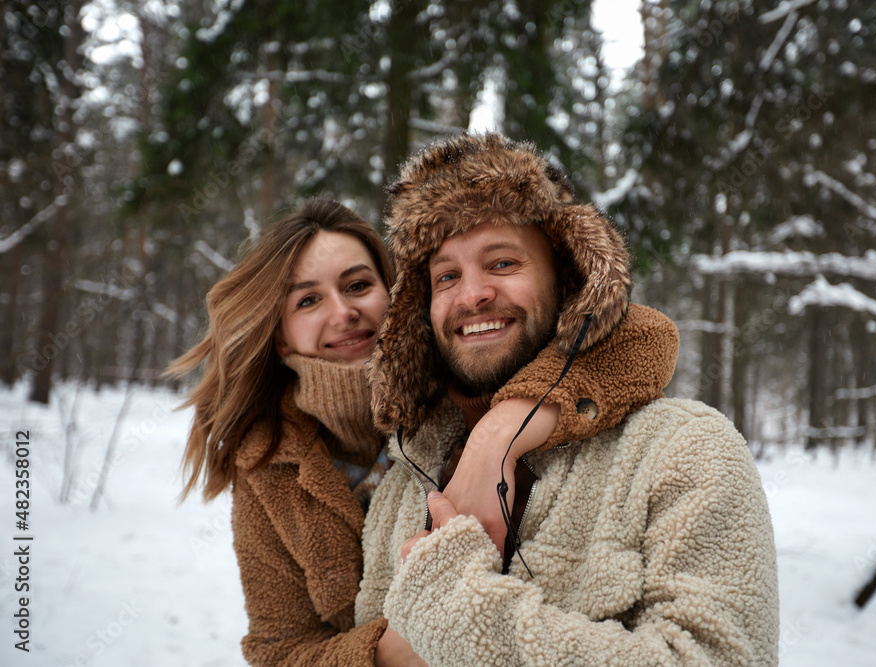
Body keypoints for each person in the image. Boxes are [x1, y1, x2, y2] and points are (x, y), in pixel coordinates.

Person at [166, 197, 676, 665]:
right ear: (278, 337)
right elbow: (280, 652)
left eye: (358, 285)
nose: (343, 313)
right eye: (307, 301)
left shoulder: (461, 370)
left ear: (398, 294)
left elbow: (648, 337)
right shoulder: (267, 465)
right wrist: (398, 646)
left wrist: (499, 431)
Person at [356, 133, 780, 666]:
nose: (472, 295)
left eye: (502, 263)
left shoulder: (685, 448)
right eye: (447, 276)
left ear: (568, 279)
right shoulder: (404, 480)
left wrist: (454, 606)